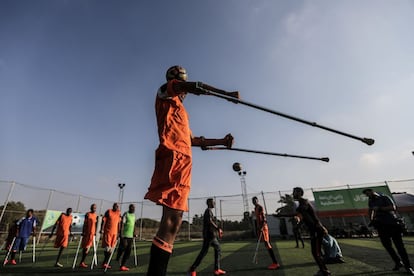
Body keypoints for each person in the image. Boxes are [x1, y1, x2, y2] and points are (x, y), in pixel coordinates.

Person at [144, 65, 236, 276]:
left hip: (184, 162)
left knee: (174, 222)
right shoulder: (164, 92)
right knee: (171, 221)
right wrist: (226, 95)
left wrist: (222, 141)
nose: (184, 92)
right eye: (182, 86)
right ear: (175, 81)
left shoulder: (180, 110)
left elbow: (192, 140)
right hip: (174, 158)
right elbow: (196, 87)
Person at [363, 188, 414, 274]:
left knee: (400, 246)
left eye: (368, 194)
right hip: (381, 225)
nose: (368, 196)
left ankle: (408, 266)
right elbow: (371, 210)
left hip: (391, 223)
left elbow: (393, 208)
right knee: (387, 246)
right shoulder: (371, 201)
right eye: (367, 195)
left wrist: (379, 208)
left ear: (372, 192)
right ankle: (398, 262)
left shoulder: (384, 198)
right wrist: (371, 220)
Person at [292, 187, 331, 276]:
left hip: (317, 230)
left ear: (299, 193)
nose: (293, 194)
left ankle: (325, 271)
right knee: (317, 252)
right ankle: (323, 270)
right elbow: (303, 218)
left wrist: (282, 215)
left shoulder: (304, 202)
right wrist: (298, 224)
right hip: (315, 230)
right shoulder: (301, 205)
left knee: (316, 252)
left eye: (294, 192)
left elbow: (301, 214)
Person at [188, 198, 226, 276]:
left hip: (211, 235)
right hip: (209, 236)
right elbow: (210, 221)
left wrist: (216, 230)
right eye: (213, 202)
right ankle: (192, 270)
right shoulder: (208, 211)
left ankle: (216, 269)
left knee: (217, 249)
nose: (214, 203)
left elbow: (210, 222)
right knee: (204, 252)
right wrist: (218, 229)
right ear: (209, 203)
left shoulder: (209, 211)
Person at [252, 196, 280, 270]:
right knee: (266, 244)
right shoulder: (255, 209)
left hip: (263, 228)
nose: (254, 201)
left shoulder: (260, 207)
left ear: (257, 201)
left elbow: (264, 218)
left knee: (267, 243)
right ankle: (275, 262)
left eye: (255, 200)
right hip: (260, 227)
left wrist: (261, 227)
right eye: (253, 200)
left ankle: (275, 263)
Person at [100, 202, 121, 269]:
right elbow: (104, 220)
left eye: (117, 206)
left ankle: (105, 263)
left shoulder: (118, 213)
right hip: (108, 233)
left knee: (111, 250)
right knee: (107, 248)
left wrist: (119, 232)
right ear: (113, 206)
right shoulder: (108, 211)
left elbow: (119, 223)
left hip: (115, 234)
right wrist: (102, 229)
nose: (116, 207)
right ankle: (105, 263)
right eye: (115, 206)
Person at [116, 204, 136, 271]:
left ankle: (122, 266)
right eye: (132, 208)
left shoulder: (134, 215)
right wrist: (120, 233)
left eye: (134, 208)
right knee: (124, 246)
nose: (133, 209)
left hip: (130, 235)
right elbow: (122, 224)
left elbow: (133, 225)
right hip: (124, 235)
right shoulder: (126, 214)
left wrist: (134, 233)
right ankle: (119, 255)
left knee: (128, 251)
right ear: (129, 208)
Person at [78, 203, 98, 268]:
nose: (94, 209)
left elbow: (95, 224)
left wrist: (95, 232)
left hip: (92, 234)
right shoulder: (88, 214)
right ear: (91, 208)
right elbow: (85, 223)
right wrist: (83, 231)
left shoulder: (95, 215)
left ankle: (82, 262)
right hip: (86, 233)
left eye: (95, 208)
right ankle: (82, 262)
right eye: (93, 207)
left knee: (87, 248)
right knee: (85, 247)